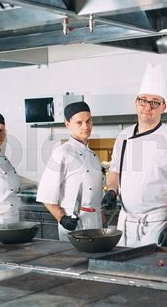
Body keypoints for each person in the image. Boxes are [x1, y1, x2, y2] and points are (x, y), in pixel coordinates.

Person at [102, 64, 167, 247]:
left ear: (163, 107)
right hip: (124, 222)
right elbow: (115, 170)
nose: (148, 107)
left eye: (154, 102)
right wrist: (111, 190)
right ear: (136, 102)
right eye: (143, 100)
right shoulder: (124, 136)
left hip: (156, 223)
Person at [36, 101, 103, 241]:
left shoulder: (93, 155)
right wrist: (61, 218)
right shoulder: (62, 153)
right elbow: (45, 194)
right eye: (79, 122)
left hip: (95, 222)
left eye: (89, 121)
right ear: (68, 124)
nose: (86, 126)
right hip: (74, 224)